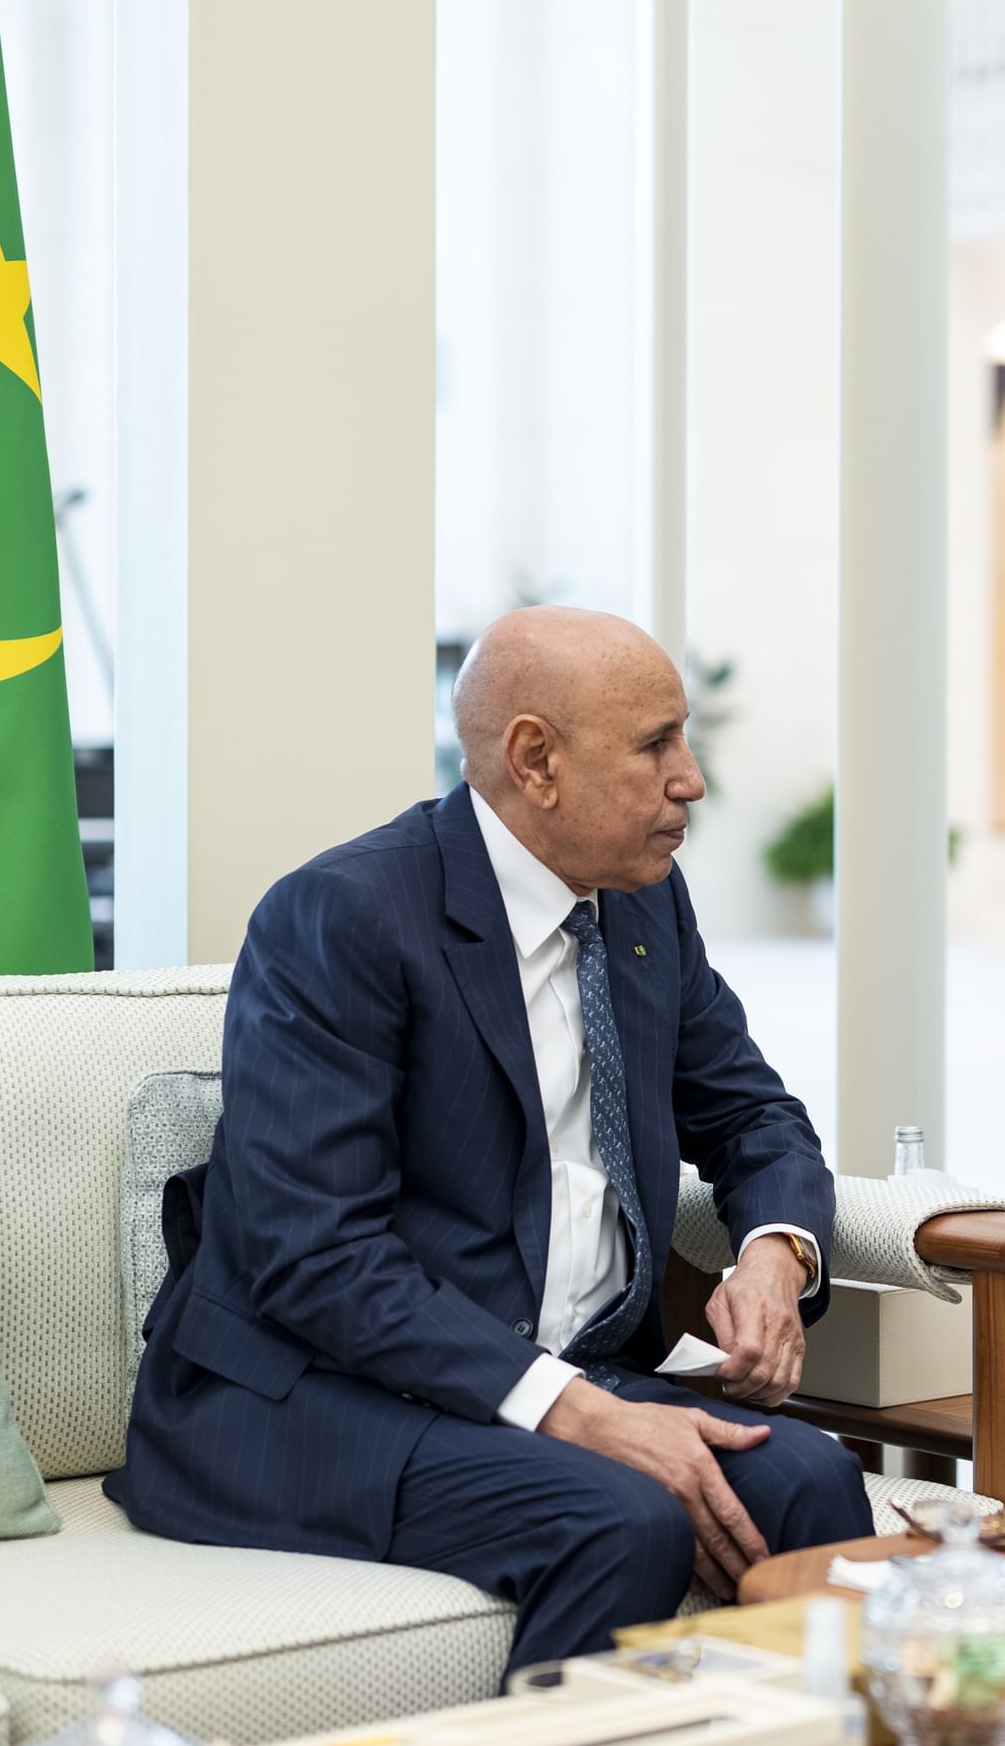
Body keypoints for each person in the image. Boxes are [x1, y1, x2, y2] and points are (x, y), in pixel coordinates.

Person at [109, 606, 871, 1674]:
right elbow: (315, 1254)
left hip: (559, 1365)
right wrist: (578, 1412)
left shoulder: (645, 910)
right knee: (624, 1519)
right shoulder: (343, 915)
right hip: (311, 1396)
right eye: (656, 744)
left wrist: (775, 1255)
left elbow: (753, 1115)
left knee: (815, 1478)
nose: (691, 780)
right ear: (535, 760)